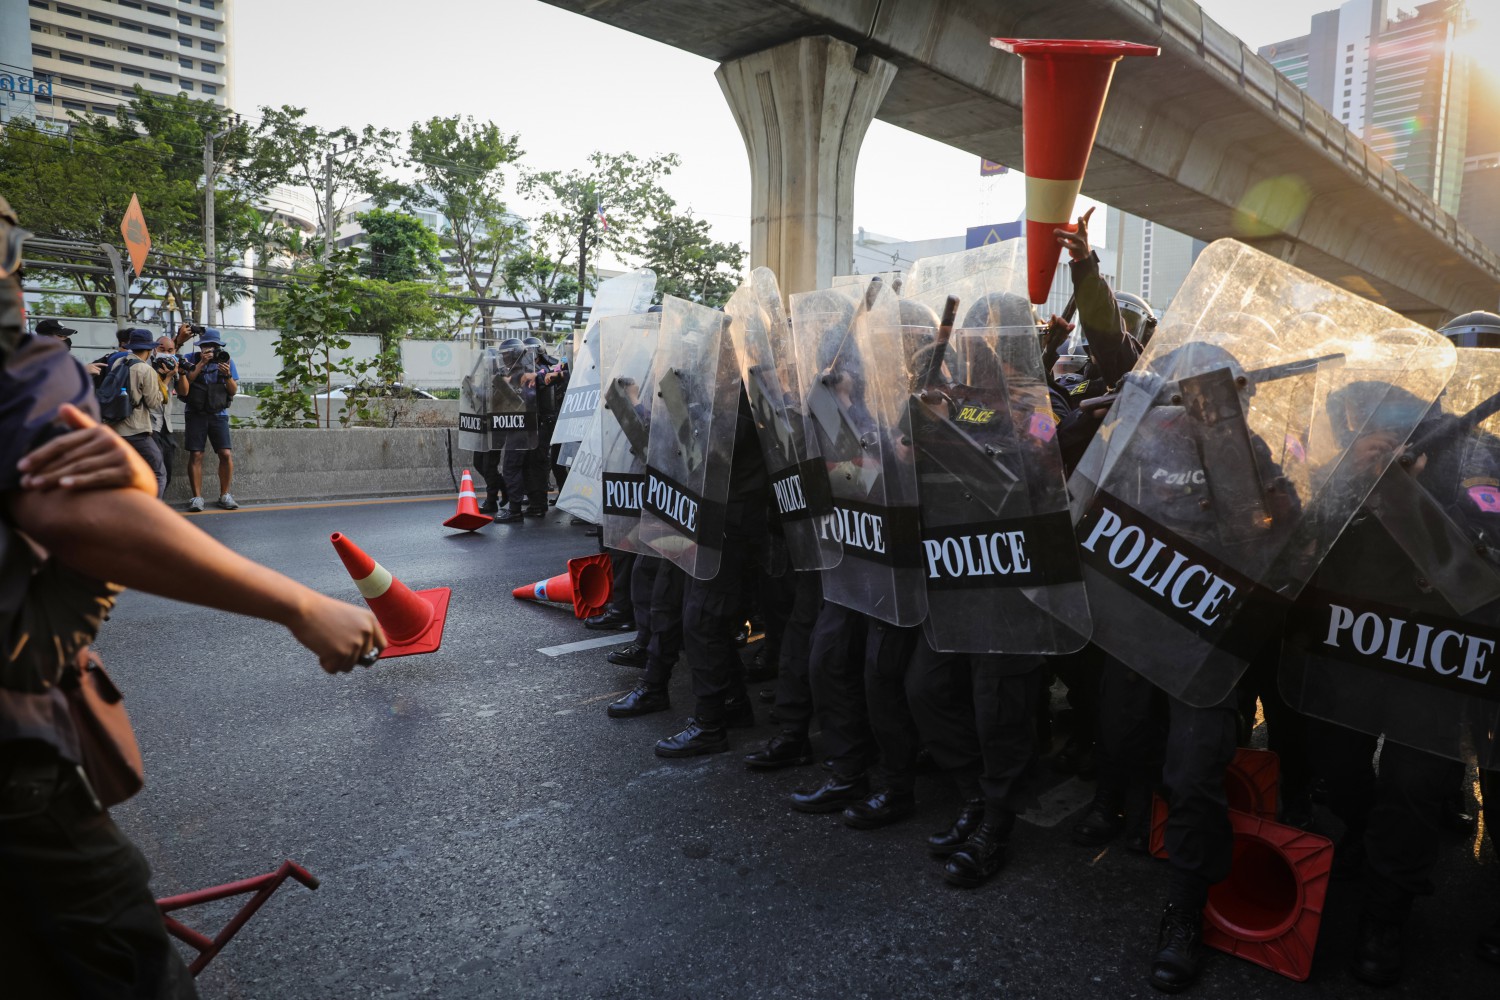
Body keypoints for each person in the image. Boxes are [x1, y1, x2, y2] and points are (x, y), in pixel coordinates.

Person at [0, 194, 383, 998]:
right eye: (14, 268)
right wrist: (300, 605)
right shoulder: (29, 369)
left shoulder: (129, 370)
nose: (21, 299)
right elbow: (77, 514)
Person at [174, 327, 239, 512]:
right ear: (200, 347)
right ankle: (197, 497)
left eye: (213, 346)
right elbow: (185, 384)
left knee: (225, 453)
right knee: (196, 454)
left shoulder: (225, 360)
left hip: (219, 413)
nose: (209, 350)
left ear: (219, 347)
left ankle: (225, 495)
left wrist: (227, 375)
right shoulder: (190, 358)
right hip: (195, 412)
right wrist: (201, 363)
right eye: (205, 346)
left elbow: (233, 390)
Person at [99, 328, 166, 499]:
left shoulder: (118, 362)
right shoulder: (146, 369)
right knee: (158, 472)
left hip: (114, 427)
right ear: (149, 350)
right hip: (136, 430)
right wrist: (163, 386)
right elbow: (153, 403)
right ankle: (152, 509)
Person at [150, 336, 180, 493]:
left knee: (167, 471)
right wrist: (167, 377)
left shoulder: (173, 367)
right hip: (150, 425)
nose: (166, 353)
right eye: (162, 350)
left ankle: (158, 500)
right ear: (154, 350)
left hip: (166, 425)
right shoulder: (147, 368)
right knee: (156, 471)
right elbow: (153, 398)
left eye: (170, 350)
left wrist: (179, 372)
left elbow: (184, 392)